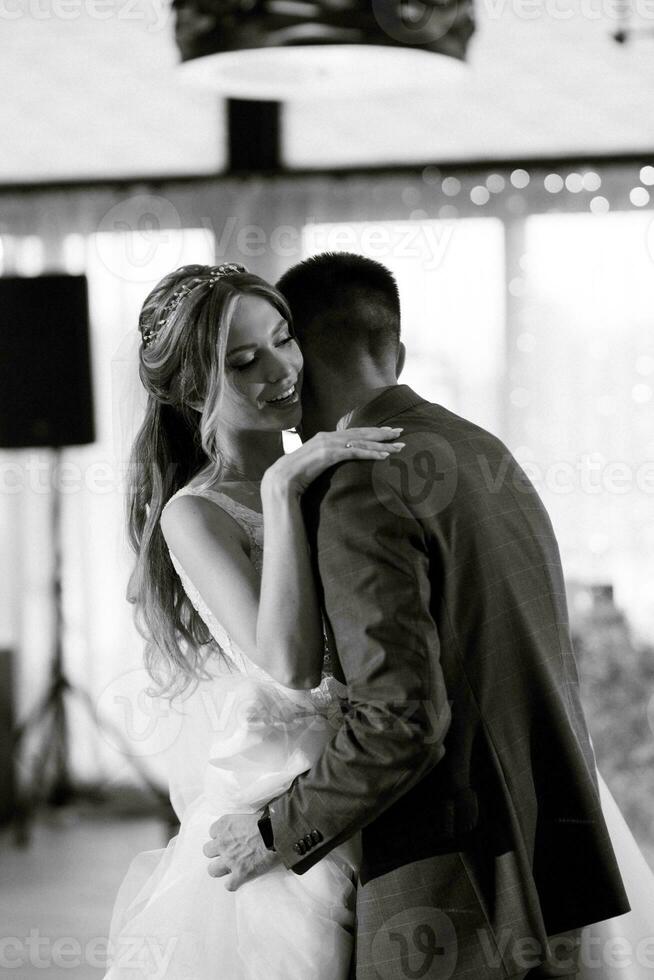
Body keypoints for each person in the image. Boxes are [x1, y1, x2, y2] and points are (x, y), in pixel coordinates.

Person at [204, 253, 654, 980]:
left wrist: (274, 833)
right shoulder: (481, 449)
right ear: (396, 352)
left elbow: (399, 721)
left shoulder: (356, 486)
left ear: (301, 355)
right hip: (551, 851)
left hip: (455, 883)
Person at [104, 262, 402, 979]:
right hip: (287, 785)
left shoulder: (326, 466)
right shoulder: (195, 514)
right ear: (193, 389)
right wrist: (279, 488)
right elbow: (292, 669)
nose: (283, 370)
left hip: (381, 760)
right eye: (244, 362)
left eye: (284, 339)